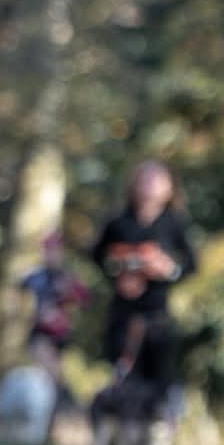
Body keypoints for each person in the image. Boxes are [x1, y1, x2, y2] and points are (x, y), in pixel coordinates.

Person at [89, 160, 199, 404]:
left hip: (157, 313)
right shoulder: (118, 221)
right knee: (124, 370)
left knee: (159, 373)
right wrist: (118, 273)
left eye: (158, 180)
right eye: (146, 179)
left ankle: (157, 417)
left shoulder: (174, 223)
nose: (151, 185)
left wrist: (169, 270)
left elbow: (191, 265)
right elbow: (97, 255)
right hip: (123, 311)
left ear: (169, 188)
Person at [18, 232, 91, 405]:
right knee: (46, 372)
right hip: (39, 334)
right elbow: (17, 297)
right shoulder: (35, 276)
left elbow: (85, 300)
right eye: (48, 250)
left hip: (61, 336)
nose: (52, 254)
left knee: (54, 378)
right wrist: (35, 314)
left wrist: (69, 298)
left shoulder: (68, 278)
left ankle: (59, 407)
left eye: (56, 250)